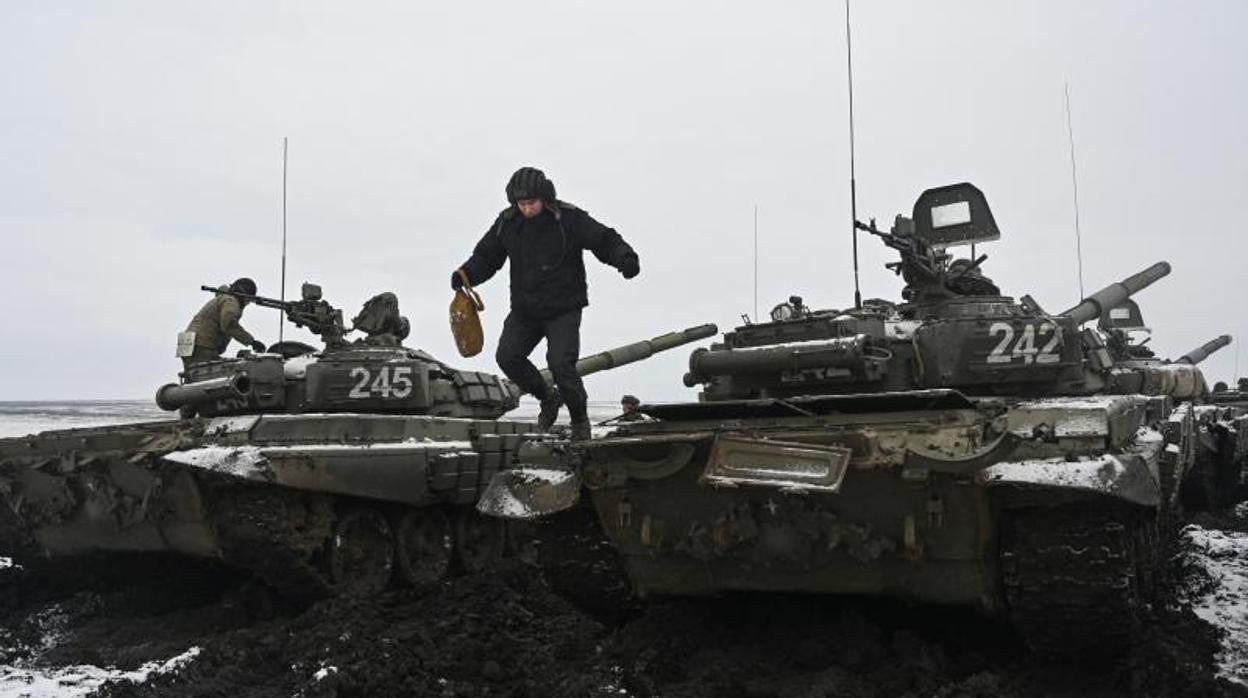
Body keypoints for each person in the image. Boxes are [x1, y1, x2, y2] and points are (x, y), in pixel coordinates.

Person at [453, 167, 640, 440]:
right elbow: (486, 256)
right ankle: (547, 398)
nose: (527, 209)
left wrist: (624, 257)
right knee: (507, 356)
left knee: (561, 365)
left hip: (563, 308)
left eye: (532, 203)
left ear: (545, 197)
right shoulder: (508, 223)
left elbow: (603, 239)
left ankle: (579, 423)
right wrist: (465, 275)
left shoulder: (569, 218)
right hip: (526, 310)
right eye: (522, 204)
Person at [180, 277, 266, 369]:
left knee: (195, 376)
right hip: (201, 344)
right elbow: (229, 325)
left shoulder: (223, 299)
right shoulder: (230, 301)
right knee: (214, 374)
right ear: (243, 295)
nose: (248, 303)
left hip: (188, 342)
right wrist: (251, 341)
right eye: (248, 299)